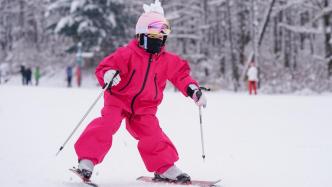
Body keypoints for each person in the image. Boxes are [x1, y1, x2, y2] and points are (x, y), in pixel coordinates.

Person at [73, 0, 207, 184]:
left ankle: (165, 168)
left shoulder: (166, 60)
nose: (158, 37)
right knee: (107, 124)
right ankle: (86, 161)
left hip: (145, 107)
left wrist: (193, 89)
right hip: (118, 100)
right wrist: (108, 74)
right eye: (153, 32)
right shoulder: (126, 54)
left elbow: (181, 75)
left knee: (152, 134)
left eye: (163, 33)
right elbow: (105, 67)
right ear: (141, 33)